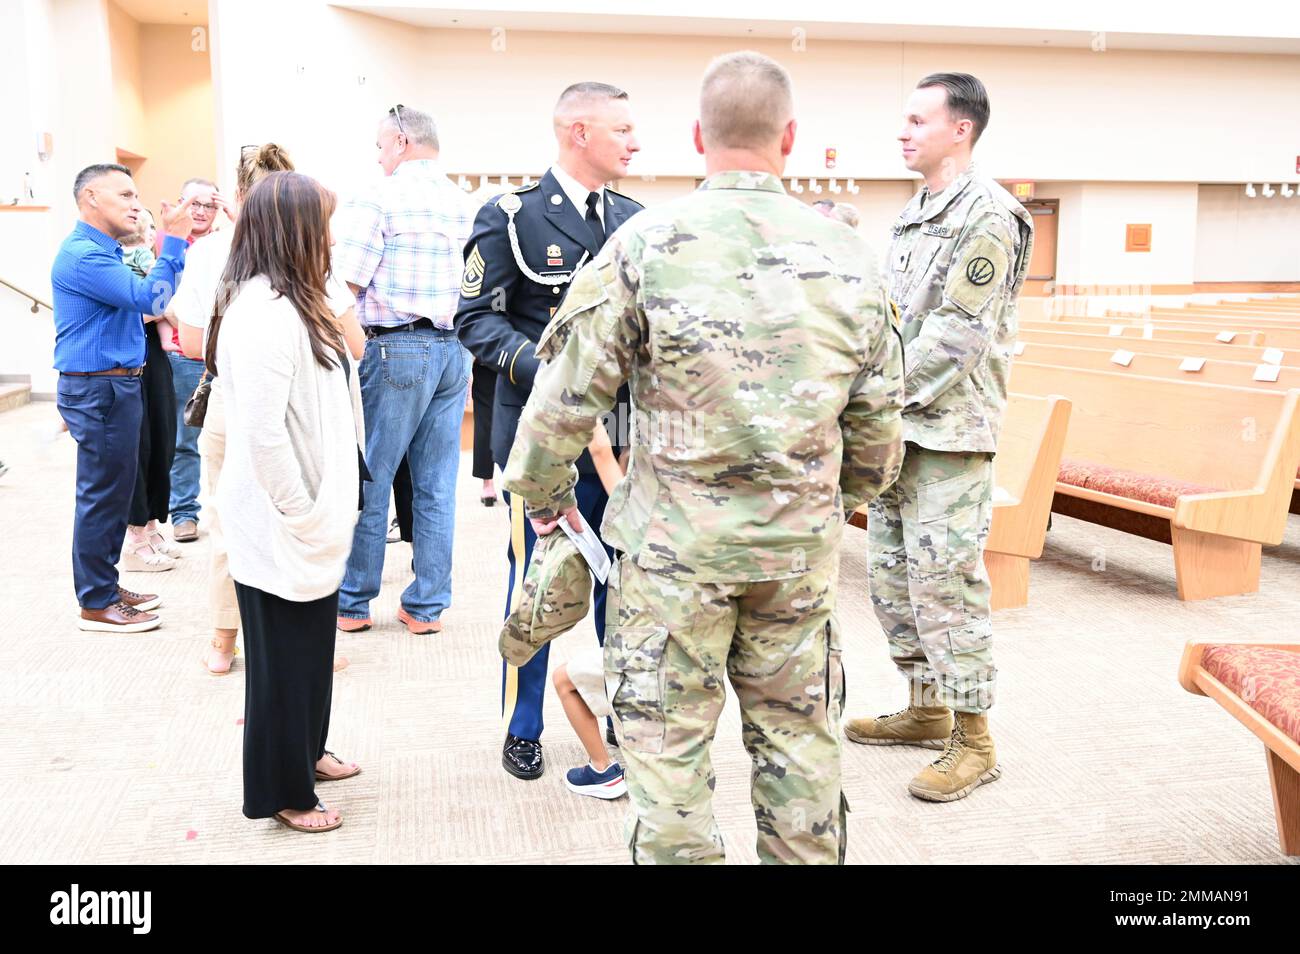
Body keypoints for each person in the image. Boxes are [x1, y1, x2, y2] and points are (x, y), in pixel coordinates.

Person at [501, 51, 904, 864]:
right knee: (800, 753)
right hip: (794, 557)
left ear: (696, 137)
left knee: (668, 763)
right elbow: (877, 445)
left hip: (671, 557)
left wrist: (547, 500)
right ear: (790, 138)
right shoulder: (853, 259)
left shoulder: (642, 245)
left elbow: (561, 403)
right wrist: (827, 500)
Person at [843, 72, 1033, 802]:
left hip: (949, 437)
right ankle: (927, 710)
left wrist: (874, 402)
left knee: (945, 587)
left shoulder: (988, 215)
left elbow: (958, 337)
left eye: (917, 120)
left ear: (961, 128)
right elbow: (892, 322)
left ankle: (975, 739)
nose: (903, 131)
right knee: (893, 581)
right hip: (899, 433)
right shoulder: (916, 212)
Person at [456, 82, 643, 782]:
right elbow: (476, 319)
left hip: (622, 438)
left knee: (620, 581)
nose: (635, 142)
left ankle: (619, 710)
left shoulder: (634, 218)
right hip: (544, 443)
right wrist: (552, 377)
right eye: (622, 129)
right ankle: (524, 722)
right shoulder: (511, 216)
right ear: (577, 131)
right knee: (540, 584)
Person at [209, 170, 364, 833]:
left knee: (308, 650)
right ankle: (283, 790)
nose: (334, 235)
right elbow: (264, 434)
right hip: (282, 520)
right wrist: (301, 510)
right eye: (325, 223)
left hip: (312, 516)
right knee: (280, 662)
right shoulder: (263, 315)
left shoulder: (300, 296)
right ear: (296, 231)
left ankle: (309, 751)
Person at [174, 143, 363, 674]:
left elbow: (190, 341)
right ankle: (299, 644)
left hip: (222, 402)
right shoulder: (304, 260)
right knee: (289, 521)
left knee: (228, 523)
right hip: (287, 410)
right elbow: (355, 342)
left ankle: (222, 639)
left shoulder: (210, 252)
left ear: (238, 198)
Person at [332, 105, 479, 637]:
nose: (378, 157)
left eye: (379, 146)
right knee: (437, 483)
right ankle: (426, 606)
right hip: (453, 348)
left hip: (394, 348)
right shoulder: (466, 204)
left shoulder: (378, 196)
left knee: (372, 477)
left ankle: (352, 602)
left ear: (399, 140)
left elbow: (339, 289)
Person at [51, 163, 194, 633]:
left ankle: (105, 585)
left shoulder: (103, 251)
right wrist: (173, 242)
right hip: (100, 388)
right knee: (102, 496)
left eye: (137, 196)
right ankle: (95, 602)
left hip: (111, 385)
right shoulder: (85, 256)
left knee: (113, 494)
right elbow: (152, 301)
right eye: (126, 195)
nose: (137, 205)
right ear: (91, 198)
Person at [159, 177, 225, 545]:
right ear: (179, 204)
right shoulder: (166, 245)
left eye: (209, 205)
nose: (201, 211)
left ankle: (225, 509)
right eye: (194, 204)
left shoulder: (227, 246)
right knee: (186, 440)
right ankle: (184, 513)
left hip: (223, 353)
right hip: (184, 355)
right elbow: (154, 296)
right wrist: (185, 322)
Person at [120, 209, 181, 571]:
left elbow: (160, 305)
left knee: (163, 440)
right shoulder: (108, 263)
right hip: (128, 358)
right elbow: (152, 306)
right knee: (139, 448)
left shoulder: (147, 258)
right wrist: (162, 311)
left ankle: (154, 526)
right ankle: (135, 539)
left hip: (154, 357)